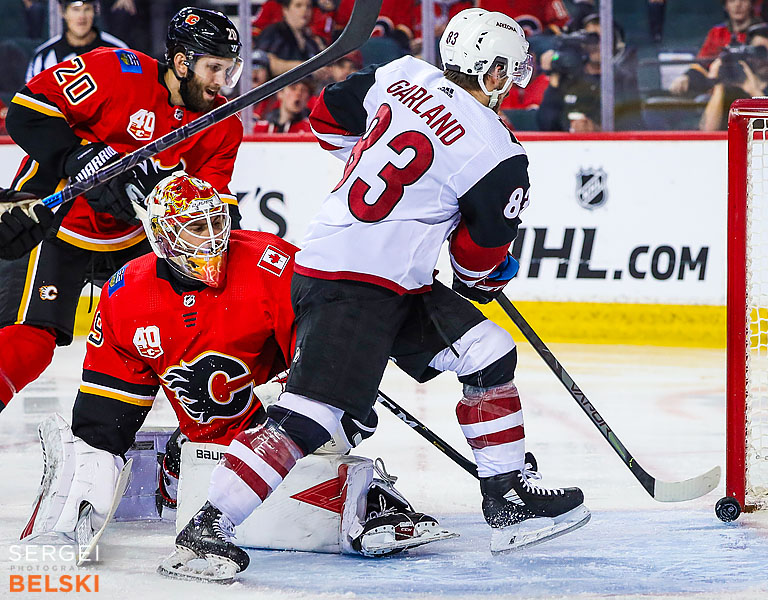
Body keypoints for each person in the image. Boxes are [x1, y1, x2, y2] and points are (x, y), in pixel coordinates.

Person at [163, 7, 589, 583]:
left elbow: (323, 117)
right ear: (489, 71)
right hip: (354, 287)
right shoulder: (498, 152)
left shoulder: (401, 73)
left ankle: (506, 497)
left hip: (374, 275)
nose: (510, 85)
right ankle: (206, 529)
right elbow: (475, 265)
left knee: (486, 352)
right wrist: (489, 274)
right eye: (506, 72)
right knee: (308, 418)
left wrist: (369, 160)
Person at [20, 173, 450, 562]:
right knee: (158, 447)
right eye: (194, 229)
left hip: (288, 416)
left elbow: (330, 345)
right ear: (163, 240)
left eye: (214, 224)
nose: (209, 240)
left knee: (331, 426)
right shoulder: (127, 294)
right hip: (212, 439)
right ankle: (180, 468)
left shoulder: (270, 263)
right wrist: (83, 491)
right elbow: (105, 410)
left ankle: (363, 496)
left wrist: (300, 396)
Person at [0, 7, 244, 414]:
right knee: (31, 340)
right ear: (182, 63)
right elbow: (27, 111)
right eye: (213, 68)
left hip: (134, 237)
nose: (221, 83)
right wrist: (77, 158)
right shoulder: (117, 69)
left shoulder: (222, 126)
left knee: (187, 330)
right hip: (57, 220)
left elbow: (215, 206)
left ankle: (214, 430)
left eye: (229, 70)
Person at [669, 0, 763, 96]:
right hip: (719, 91)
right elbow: (702, 64)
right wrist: (686, 76)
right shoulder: (717, 32)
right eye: (732, 1)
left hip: (753, 89)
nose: (737, 5)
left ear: (751, 4)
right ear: (725, 6)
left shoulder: (762, 33)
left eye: (743, 0)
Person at [25, 0, 128, 82]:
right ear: (62, 11)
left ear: (95, 11)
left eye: (87, 9)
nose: (81, 17)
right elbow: (31, 101)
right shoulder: (43, 56)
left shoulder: (119, 51)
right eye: (75, 9)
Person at [256, 0, 327, 78]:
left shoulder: (311, 41)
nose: (305, 10)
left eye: (308, 6)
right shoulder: (274, 31)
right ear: (285, 9)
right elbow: (262, 63)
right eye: (298, 5)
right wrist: (306, 67)